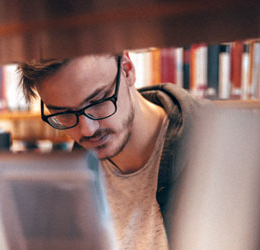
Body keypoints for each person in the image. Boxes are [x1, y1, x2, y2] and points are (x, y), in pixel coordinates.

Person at [18, 52, 209, 250]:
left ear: (127, 70)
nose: (88, 130)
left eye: (97, 101)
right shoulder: (74, 177)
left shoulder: (215, 151)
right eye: (64, 114)